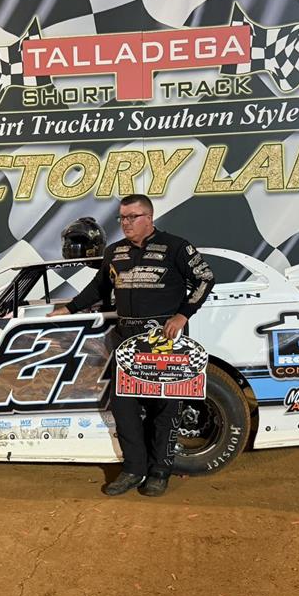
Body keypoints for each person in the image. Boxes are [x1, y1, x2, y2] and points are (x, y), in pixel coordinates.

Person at [49, 195, 215, 497]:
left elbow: (205, 278)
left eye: (132, 217)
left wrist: (182, 315)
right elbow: (98, 288)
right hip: (128, 342)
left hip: (167, 341)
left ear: (148, 218)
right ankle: (133, 469)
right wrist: (68, 308)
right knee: (123, 406)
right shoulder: (115, 252)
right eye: (122, 218)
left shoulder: (177, 246)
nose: (126, 223)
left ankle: (160, 472)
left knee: (165, 408)